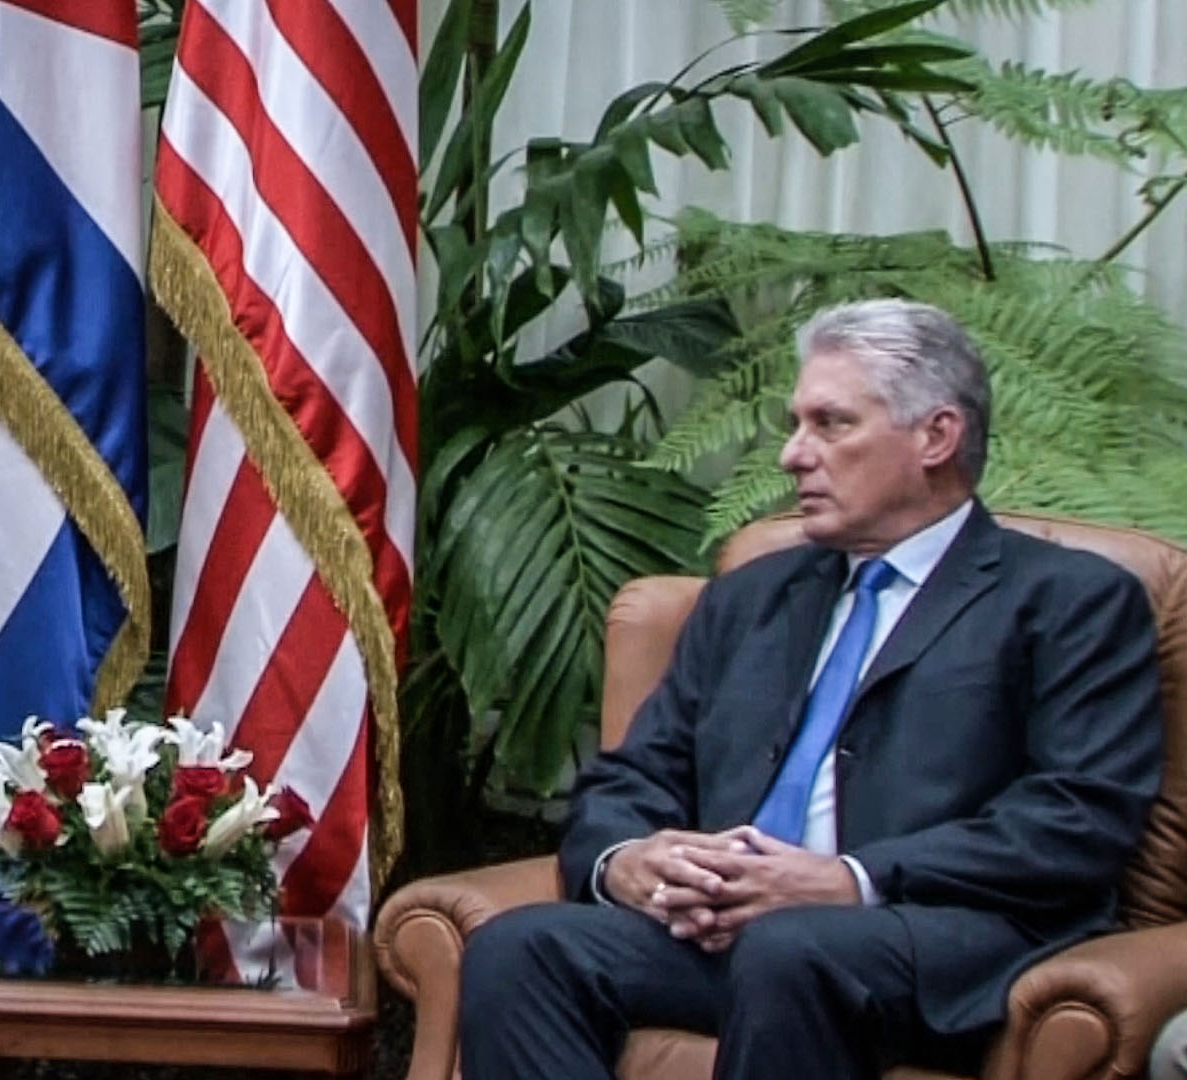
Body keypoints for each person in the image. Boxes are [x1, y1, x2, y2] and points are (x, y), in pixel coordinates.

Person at [458, 299, 1164, 1079]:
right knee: (518, 948)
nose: (793, 454)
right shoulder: (751, 597)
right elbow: (635, 774)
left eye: (831, 425)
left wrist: (849, 881)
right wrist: (629, 858)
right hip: (731, 934)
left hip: (933, 934)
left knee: (789, 950)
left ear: (936, 435)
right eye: (796, 424)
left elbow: (1076, 817)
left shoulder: (1069, 600)